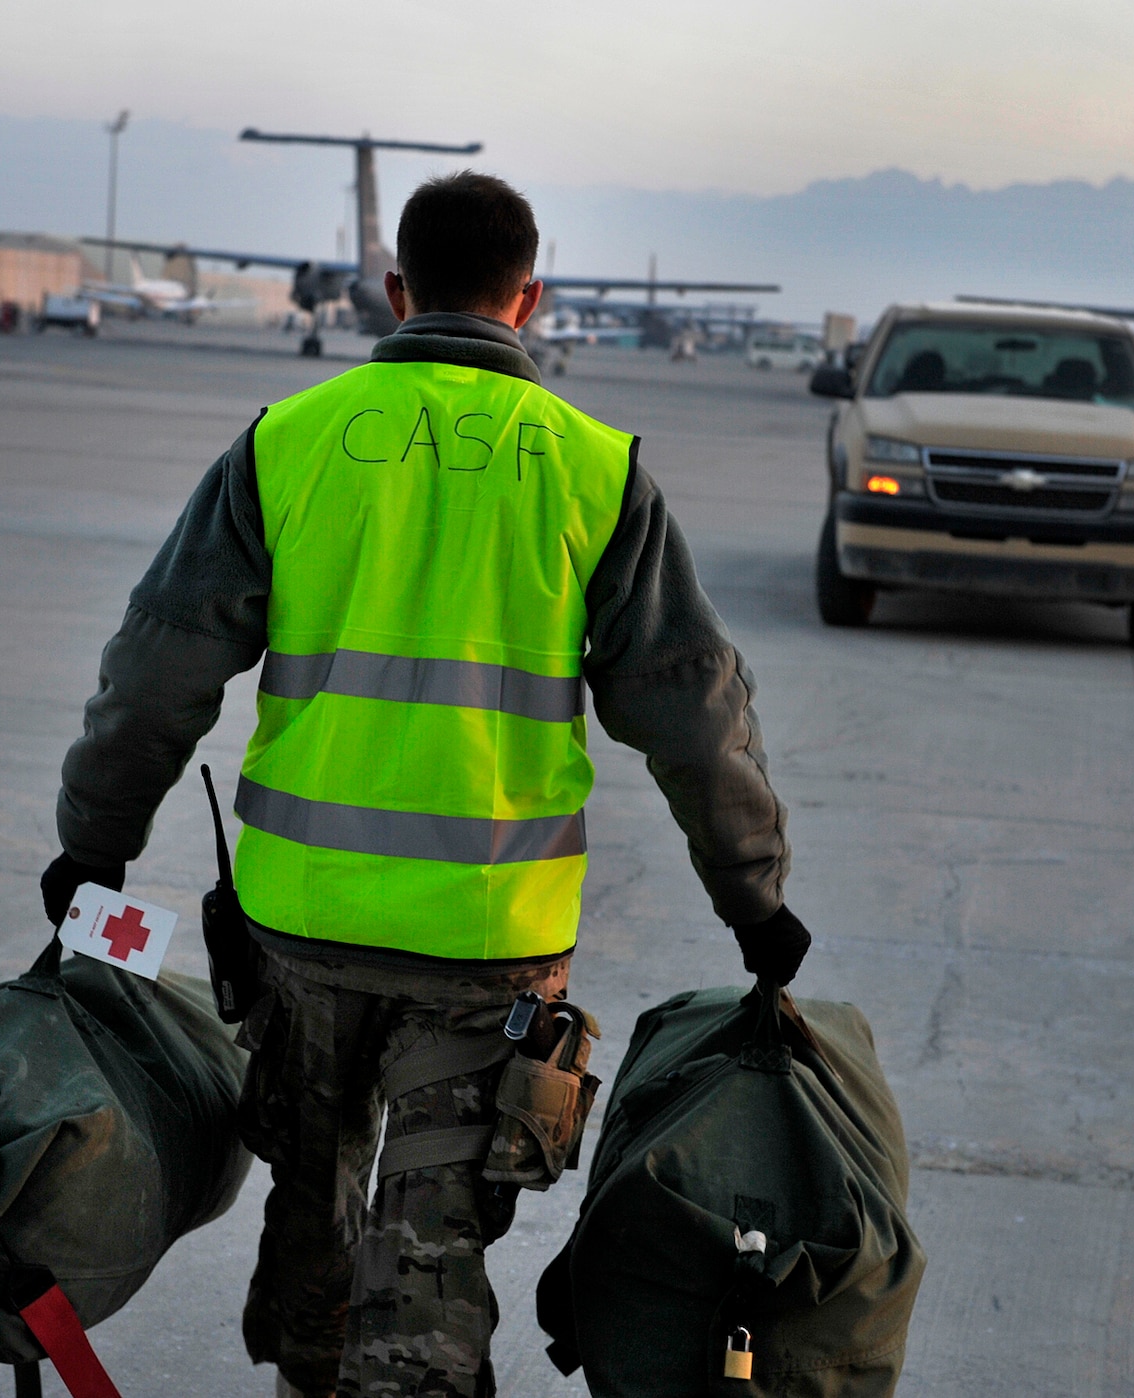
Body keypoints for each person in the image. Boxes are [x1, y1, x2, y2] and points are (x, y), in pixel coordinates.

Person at [42, 172, 806, 1398]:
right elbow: (692, 714)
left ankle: (304, 1378)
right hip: (485, 943)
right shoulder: (593, 472)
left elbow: (155, 669)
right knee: (432, 1241)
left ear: (393, 288)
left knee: (312, 1197)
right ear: (530, 299)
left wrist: (95, 840)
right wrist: (752, 899)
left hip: (302, 929)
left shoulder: (286, 443)